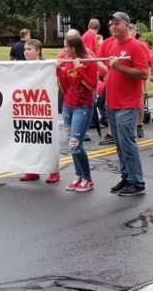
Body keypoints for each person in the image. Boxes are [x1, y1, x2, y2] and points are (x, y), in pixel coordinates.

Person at [105, 12, 149, 196]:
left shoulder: (136, 46)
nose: (113, 27)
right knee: (119, 144)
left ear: (127, 25)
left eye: (117, 23)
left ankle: (137, 181)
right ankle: (127, 176)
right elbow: (105, 68)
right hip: (112, 102)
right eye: (111, 24)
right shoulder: (112, 45)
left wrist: (119, 67)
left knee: (127, 142)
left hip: (127, 103)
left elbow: (144, 73)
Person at [56, 35, 98, 192]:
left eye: (66, 47)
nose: (64, 50)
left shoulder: (88, 61)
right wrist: (59, 71)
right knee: (71, 144)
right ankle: (79, 175)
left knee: (75, 143)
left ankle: (88, 178)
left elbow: (92, 86)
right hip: (68, 106)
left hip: (83, 106)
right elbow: (65, 88)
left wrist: (79, 69)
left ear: (73, 48)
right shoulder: (67, 63)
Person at [19, 39, 61, 183]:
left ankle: (53, 171)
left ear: (38, 51)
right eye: (25, 49)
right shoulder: (21, 67)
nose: (26, 52)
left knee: (47, 140)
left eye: (29, 49)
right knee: (29, 139)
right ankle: (32, 170)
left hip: (43, 108)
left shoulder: (47, 66)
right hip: (27, 108)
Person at [129, 23, 151, 138]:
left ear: (135, 32)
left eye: (131, 29)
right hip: (125, 77)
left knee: (140, 101)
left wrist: (148, 74)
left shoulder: (141, 45)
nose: (129, 31)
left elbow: (147, 63)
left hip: (137, 76)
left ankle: (139, 125)